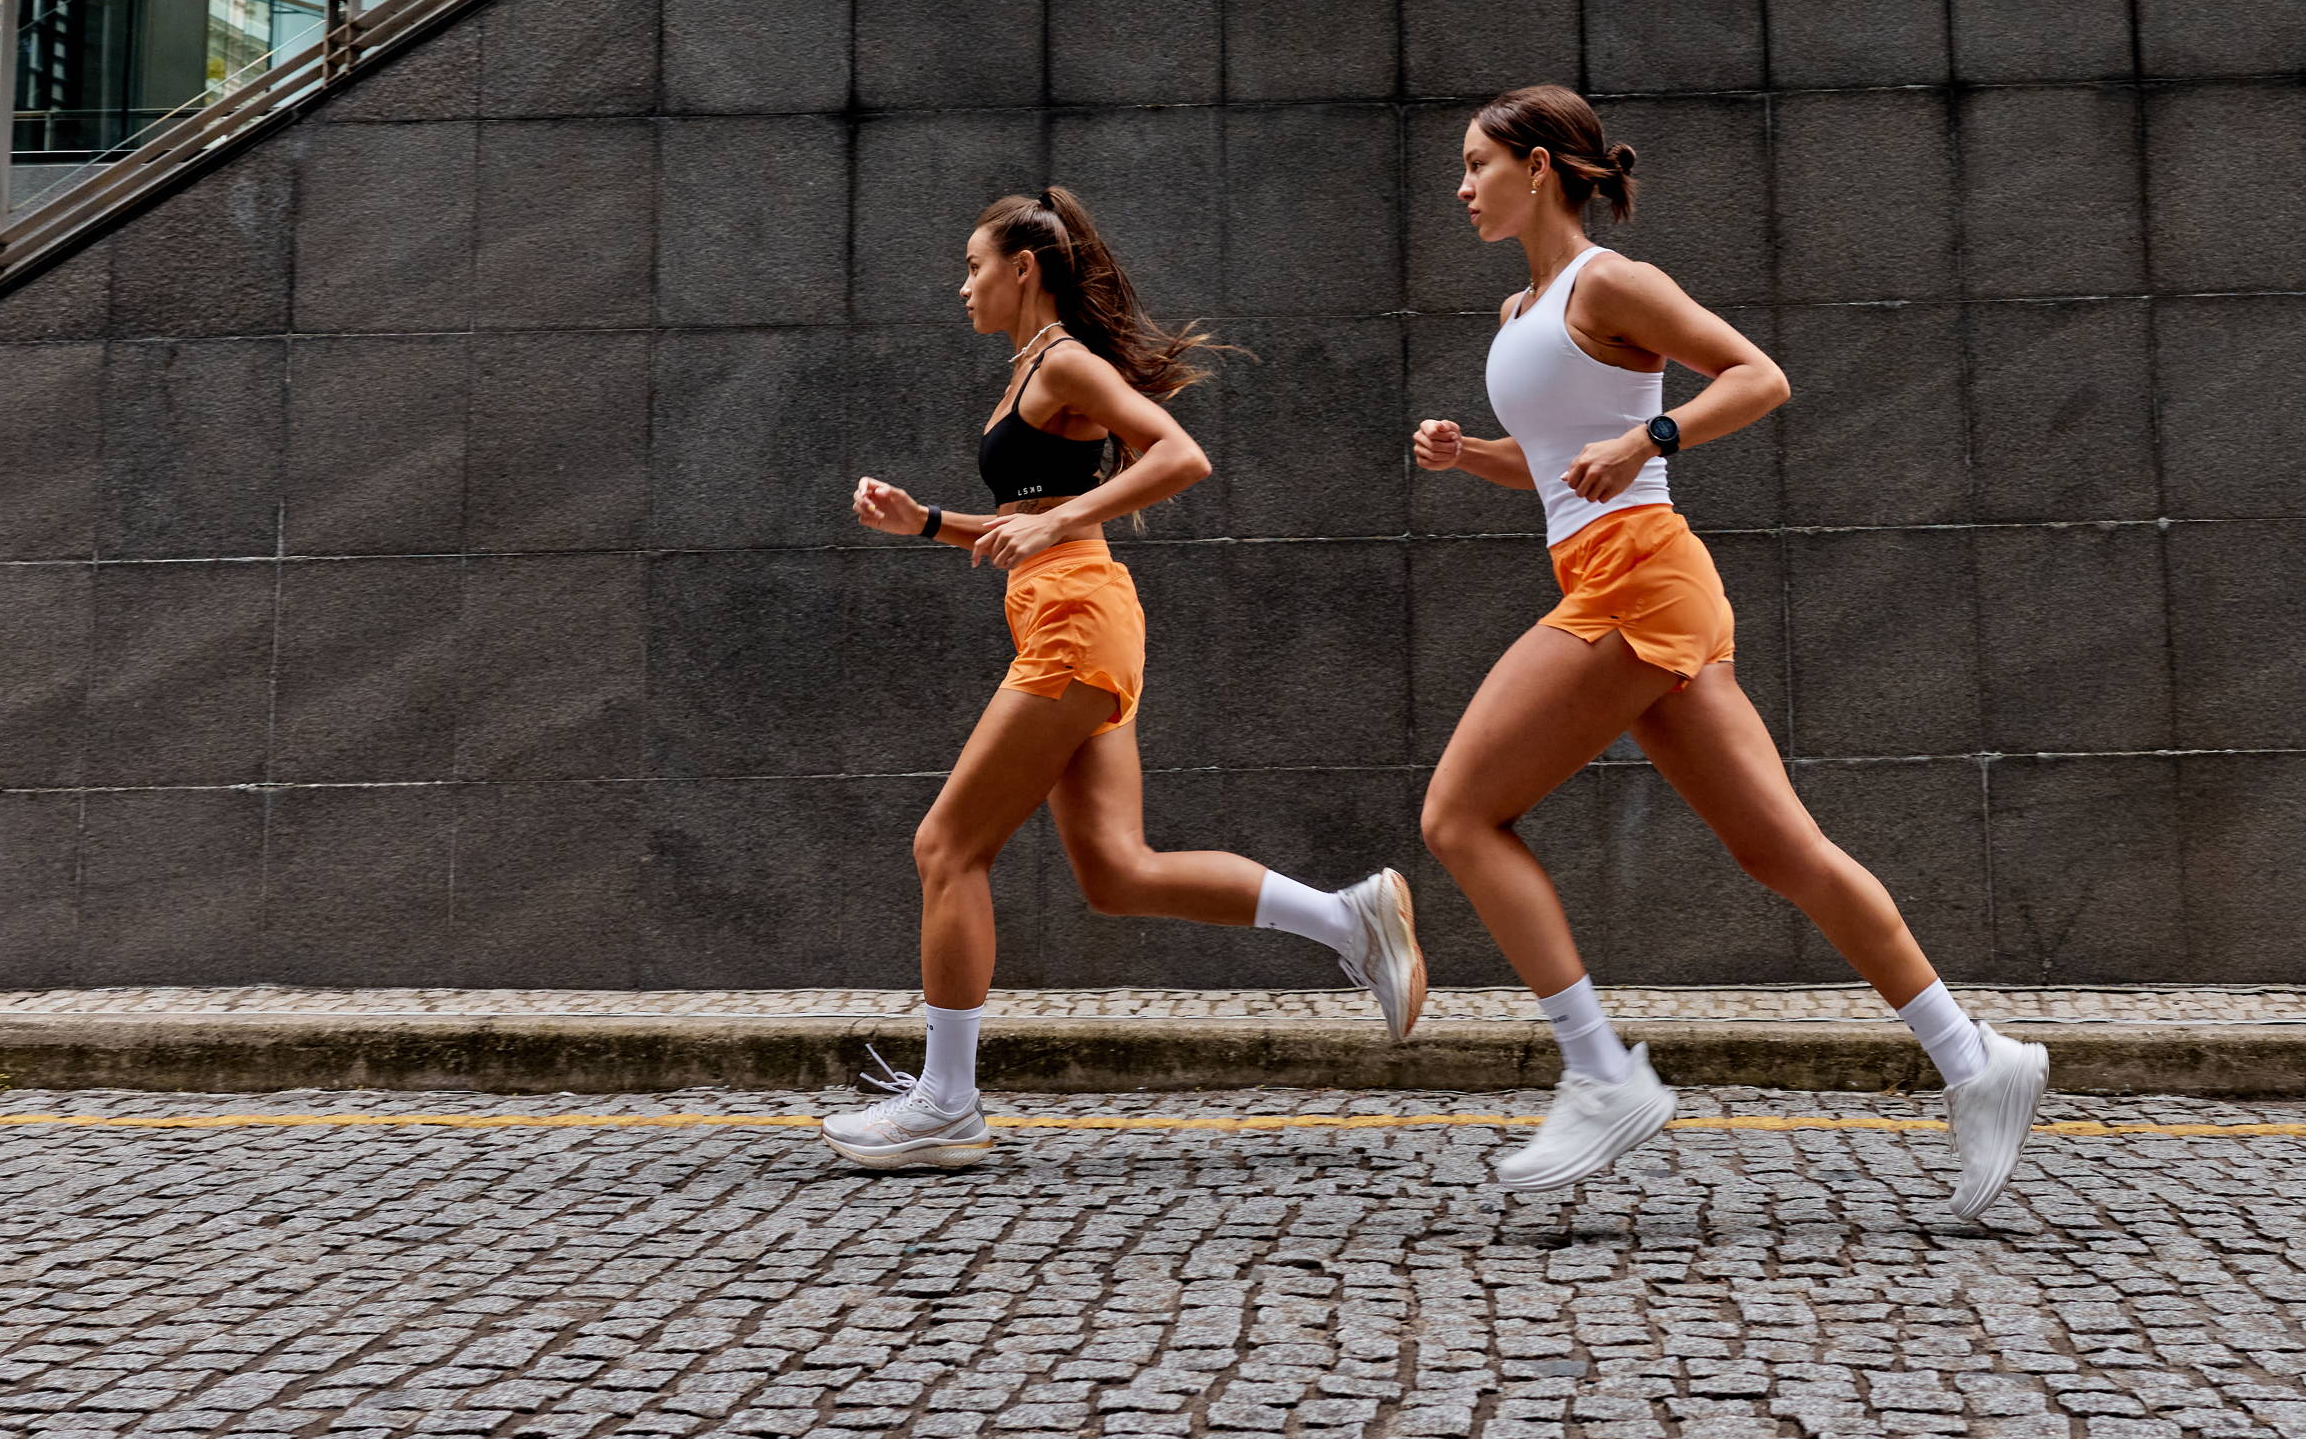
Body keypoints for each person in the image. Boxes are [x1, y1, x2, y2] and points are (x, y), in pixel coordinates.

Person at [1412, 86, 2048, 1211]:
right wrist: (1474, 456)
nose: (1462, 188)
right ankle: (1974, 1058)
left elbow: (1760, 376)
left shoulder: (1614, 282)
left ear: (1543, 167)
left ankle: (1602, 1071)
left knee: (1458, 815)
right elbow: (1562, 461)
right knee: (1781, 849)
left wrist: (1651, 432)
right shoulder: (1522, 309)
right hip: (1627, 578)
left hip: (1636, 582)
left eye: (1477, 165)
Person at [833, 185, 1424, 1169]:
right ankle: (1348, 917)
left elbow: (1178, 455)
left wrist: (1055, 521)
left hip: (1074, 622)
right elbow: (1037, 514)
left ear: (1023, 268)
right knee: (1116, 871)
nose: (963, 284)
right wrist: (931, 523)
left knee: (946, 845)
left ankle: (946, 1101)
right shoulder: (1031, 368)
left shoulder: (1063, 359)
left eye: (974, 264)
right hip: (1070, 614)